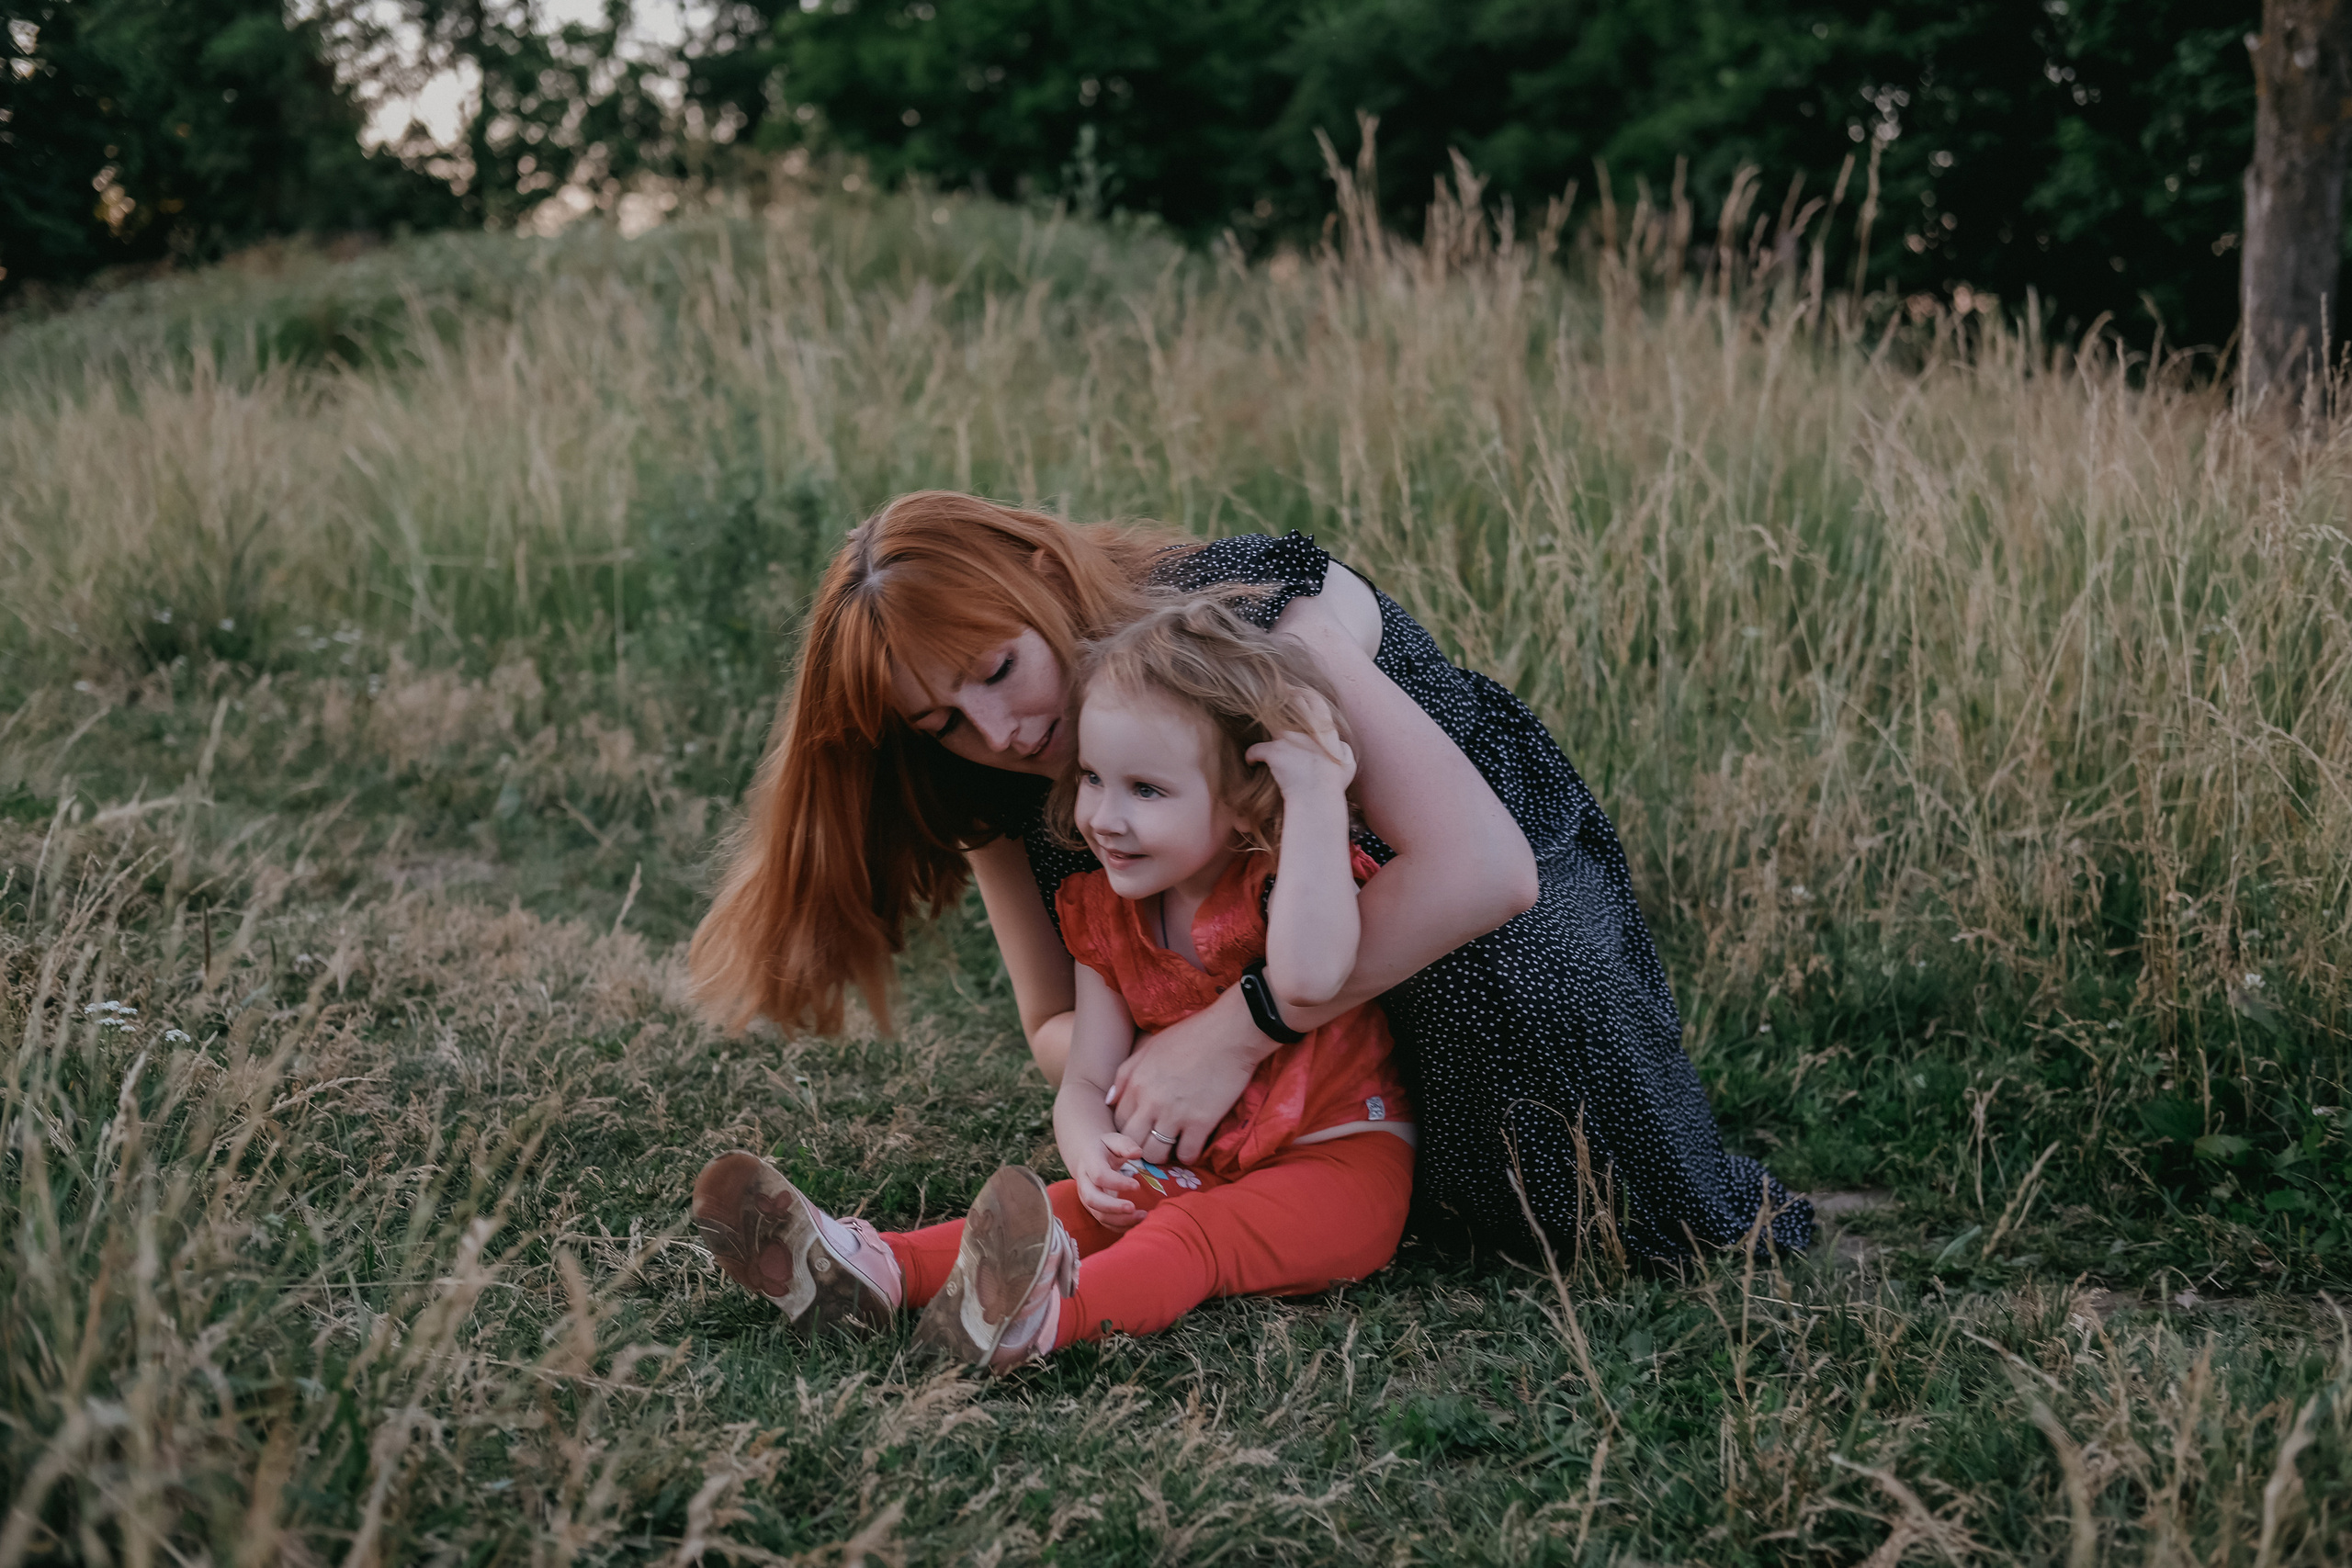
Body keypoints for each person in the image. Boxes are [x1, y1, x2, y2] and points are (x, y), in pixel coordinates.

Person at [690, 491, 1810, 1262]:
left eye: (999, 670)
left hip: (1454, 899)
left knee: (1524, 1005)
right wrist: (1132, 1069)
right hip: (1265, 983)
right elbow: (1048, 1014)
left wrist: (1233, 1034)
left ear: (1040, 576)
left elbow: (1481, 873)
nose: (1000, 729)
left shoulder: (1244, 621)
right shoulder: (983, 777)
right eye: (943, 718)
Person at [692, 601, 1415, 1367]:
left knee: (1186, 1237)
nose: (1104, 815)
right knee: (1076, 1210)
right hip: (1202, 1168)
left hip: (1340, 1169)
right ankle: (877, 1270)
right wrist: (1094, 1155)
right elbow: (1086, 1079)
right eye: (1094, 778)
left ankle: (1041, 1321)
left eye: (1146, 789)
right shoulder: (1104, 915)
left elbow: (1307, 979)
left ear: (1242, 802)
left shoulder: (1284, 881)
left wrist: (1312, 792)